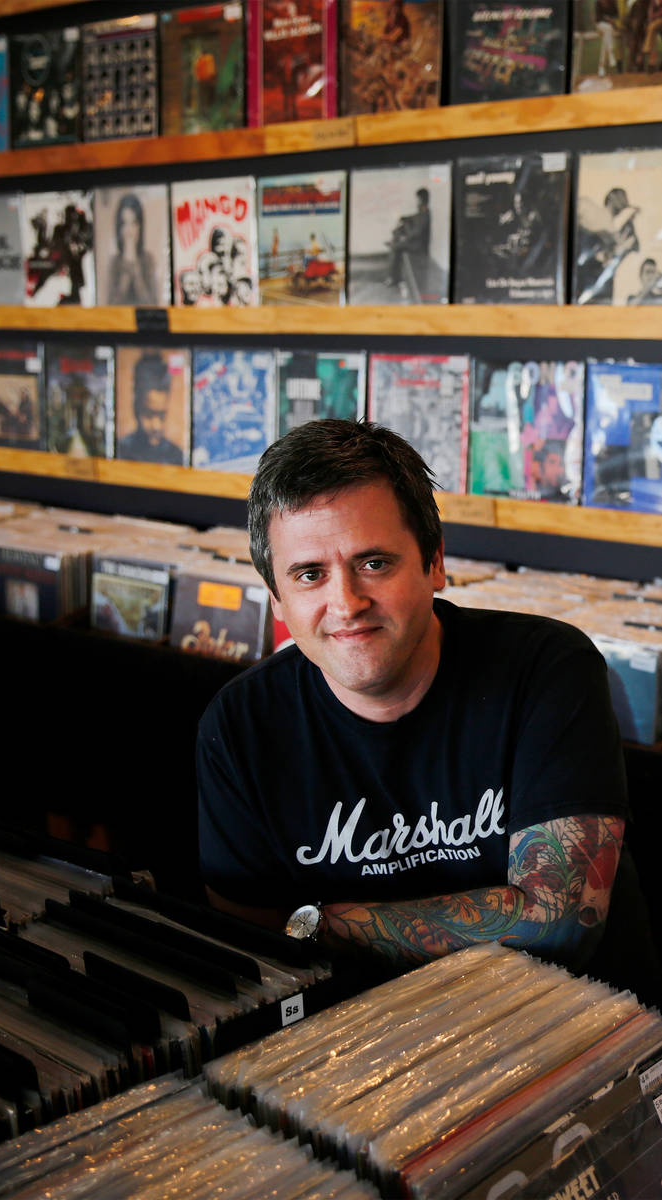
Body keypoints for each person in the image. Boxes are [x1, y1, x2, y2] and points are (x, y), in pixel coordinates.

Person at [197, 419, 659, 1002]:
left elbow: (562, 921)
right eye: (310, 575)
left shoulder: (548, 667)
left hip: (578, 1029)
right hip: (360, 1046)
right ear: (278, 599)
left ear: (434, 562)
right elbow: (255, 947)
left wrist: (325, 923)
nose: (346, 603)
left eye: (374, 563)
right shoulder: (238, 727)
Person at [116, 352, 183, 465]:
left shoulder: (176, 455)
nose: (156, 426)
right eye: (148, 415)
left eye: (162, 416)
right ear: (136, 408)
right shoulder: (122, 450)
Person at [106, 193, 159, 305]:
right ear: (119, 227)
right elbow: (110, 306)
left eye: (133, 223)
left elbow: (153, 305)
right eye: (125, 223)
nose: (129, 230)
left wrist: (137, 276)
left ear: (140, 226)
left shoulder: (148, 260)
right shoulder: (114, 263)